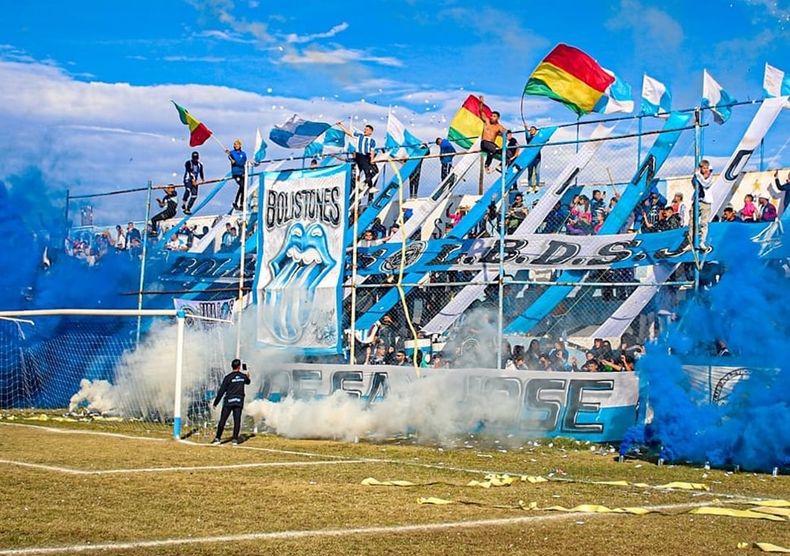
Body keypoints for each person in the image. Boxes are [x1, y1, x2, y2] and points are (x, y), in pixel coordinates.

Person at [212, 359, 251, 445]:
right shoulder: (243, 376)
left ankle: (218, 438)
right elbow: (248, 382)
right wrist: (247, 375)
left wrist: (216, 402)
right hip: (238, 402)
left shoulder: (228, 377)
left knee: (223, 420)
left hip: (228, 402)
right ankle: (235, 440)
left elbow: (221, 391)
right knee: (237, 421)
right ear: (239, 366)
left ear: (232, 366)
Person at [338, 123, 379, 192]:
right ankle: (370, 187)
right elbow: (349, 133)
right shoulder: (360, 136)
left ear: (371, 132)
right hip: (360, 155)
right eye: (365, 129)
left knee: (373, 171)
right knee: (367, 171)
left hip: (367, 156)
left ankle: (363, 183)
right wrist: (340, 125)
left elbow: (372, 152)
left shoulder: (372, 141)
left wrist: (372, 159)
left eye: (367, 130)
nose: (365, 131)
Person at [685, 159, 714, 251]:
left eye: (706, 168)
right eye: (703, 168)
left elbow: (705, 184)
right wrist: (696, 176)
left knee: (704, 223)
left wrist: (697, 175)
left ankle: (701, 241)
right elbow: (694, 183)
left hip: (706, 202)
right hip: (697, 201)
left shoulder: (709, 176)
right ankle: (691, 241)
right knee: (692, 221)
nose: (705, 170)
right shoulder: (697, 177)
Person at [478, 95, 506, 173]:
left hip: (492, 145)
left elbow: (506, 132)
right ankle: (487, 165)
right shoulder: (487, 122)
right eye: (491, 116)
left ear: (497, 118)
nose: (491, 117)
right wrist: (481, 103)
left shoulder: (498, 126)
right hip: (484, 143)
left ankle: (501, 166)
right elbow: (481, 112)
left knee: (507, 153)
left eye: (494, 116)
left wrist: (505, 133)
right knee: (493, 149)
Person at [225, 139, 247, 211]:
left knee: (243, 188)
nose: (235, 146)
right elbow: (230, 157)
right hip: (236, 173)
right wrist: (229, 155)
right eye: (234, 144)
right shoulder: (232, 153)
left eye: (236, 144)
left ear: (240, 145)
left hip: (242, 173)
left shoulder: (243, 154)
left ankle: (241, 204)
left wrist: (236, 162)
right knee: (242, 185)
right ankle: (235, 202)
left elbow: (242, 162)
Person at [182, 151, 204, 215]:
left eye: (196, 158)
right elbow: (189, 171)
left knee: (194, 195)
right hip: (188, 179)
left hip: (195, 181)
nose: (195, 159)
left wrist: (202, 179)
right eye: (194, 158)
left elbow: (201, 172)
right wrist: (193, 180)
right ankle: (184, 204)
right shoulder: (188, 163)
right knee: (188, 190)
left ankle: (188, 208)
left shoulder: (200, 165)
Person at [526, 126, 541, 192]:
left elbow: (544, 138)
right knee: (530, 172)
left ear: (535, 131)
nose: (531, 131)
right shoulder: (529, 138)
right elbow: (526, 136)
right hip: (530, 158)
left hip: (537, 158)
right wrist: (526, 129)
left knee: (537, 172)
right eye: (530, 130)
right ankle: (530, 186)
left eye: (533, 130)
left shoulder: (538, 138)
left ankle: (537, 185)